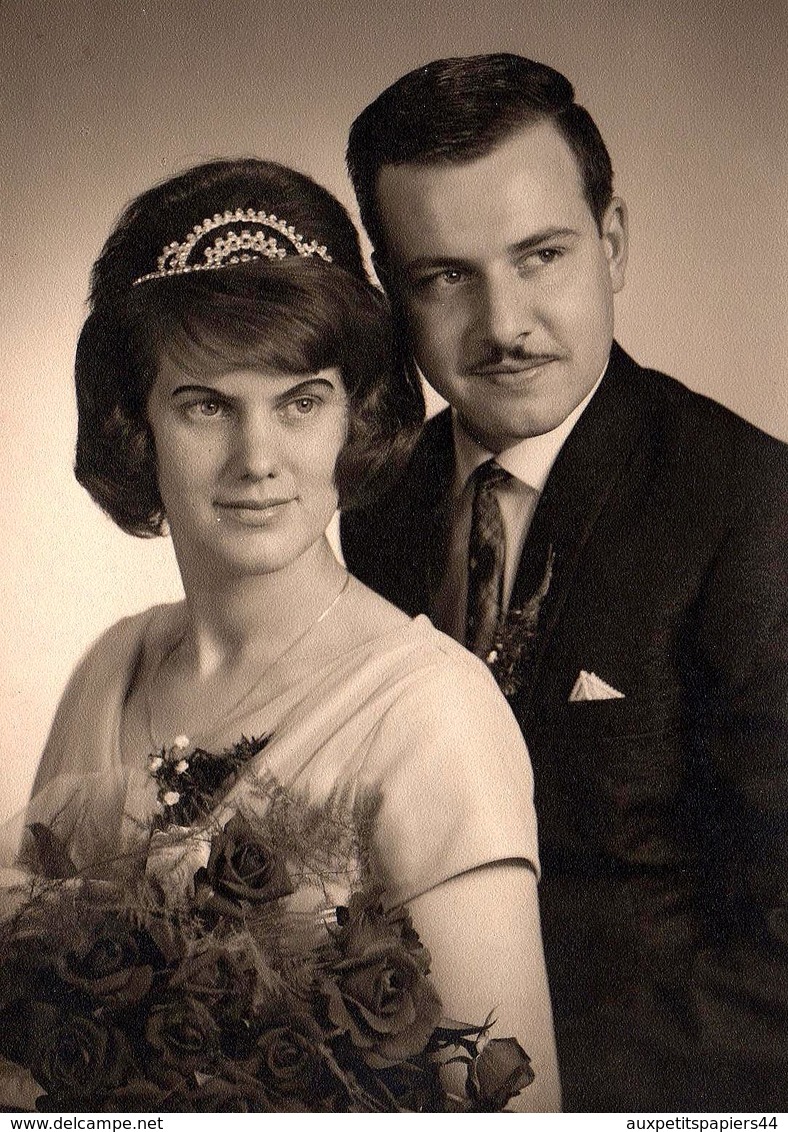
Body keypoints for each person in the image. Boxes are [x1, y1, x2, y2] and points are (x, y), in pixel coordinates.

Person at [9, 157, 559, 1112]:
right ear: (135, 424)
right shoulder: (109, 669)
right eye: (206, 405)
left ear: (356, 415)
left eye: (300, 401)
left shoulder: (433, 713)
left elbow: (515, 1109)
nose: (257, 460)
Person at [340, 54, 788, 1112]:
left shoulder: (752, 509)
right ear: (386, 288)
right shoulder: (372, 507)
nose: (503, 325)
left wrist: (523, 1092)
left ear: (613, 241)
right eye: (443, 275)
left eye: (539, 255)